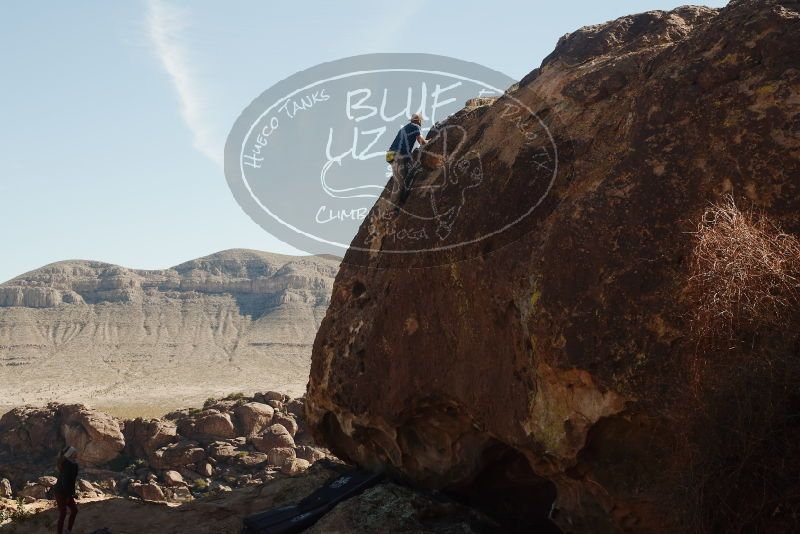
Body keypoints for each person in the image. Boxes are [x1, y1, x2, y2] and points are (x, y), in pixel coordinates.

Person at [386, 113, 427, 208]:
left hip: (390, 154)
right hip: (399, 154)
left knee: (402, 178)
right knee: (400, 182)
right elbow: (421, 141)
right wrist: (429, 141)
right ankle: (393, 208)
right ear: (419, 121)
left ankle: (398, 202)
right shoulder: (416, 127)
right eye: (421, 121)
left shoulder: (405, 127)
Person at [53, 446, 79, 534]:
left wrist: (72, 494)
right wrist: (68, 495)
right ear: (71, 454)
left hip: (62, 491)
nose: (77, 453)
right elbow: (66, 481)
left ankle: (68, 531)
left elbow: (71, 481)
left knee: (74, 511)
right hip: (61, 492)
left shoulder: (70, 464)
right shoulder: (69, 465)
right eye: (75, 452)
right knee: (63, 514)